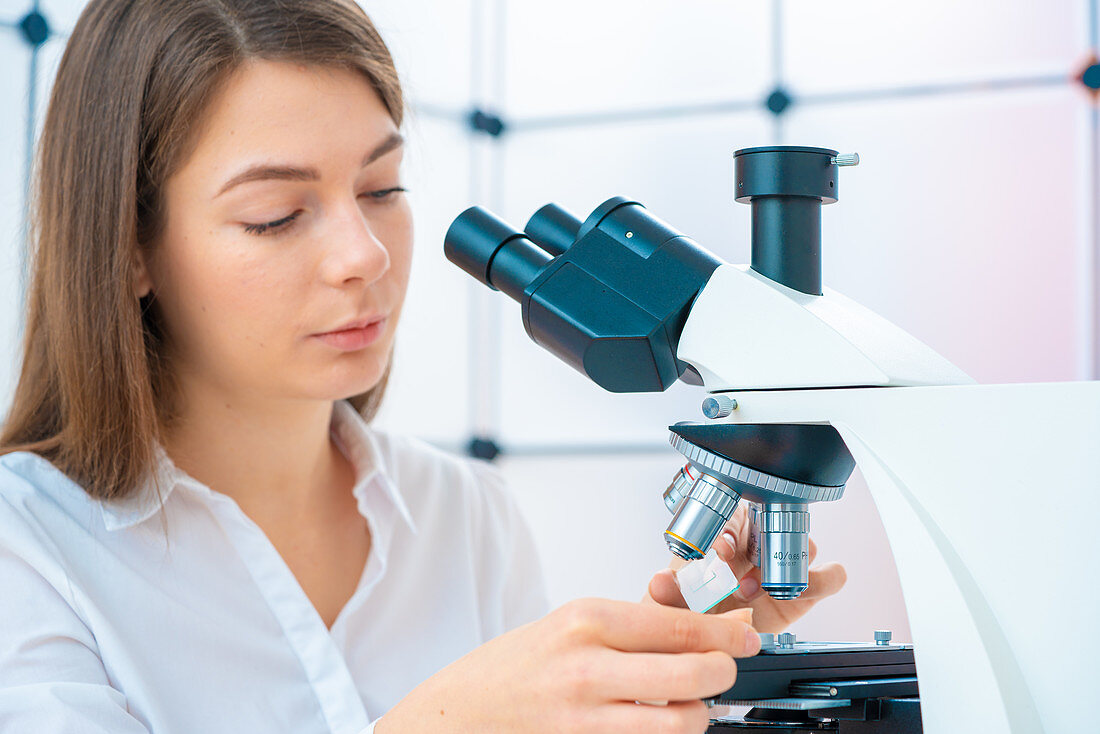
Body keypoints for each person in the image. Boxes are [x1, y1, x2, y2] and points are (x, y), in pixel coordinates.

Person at [0, 1, 845, 732]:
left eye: (382, 189)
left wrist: (677, 661)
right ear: (130, 250)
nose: (362, 255)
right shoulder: (26, 548)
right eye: (276, 215)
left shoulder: (465, 517)